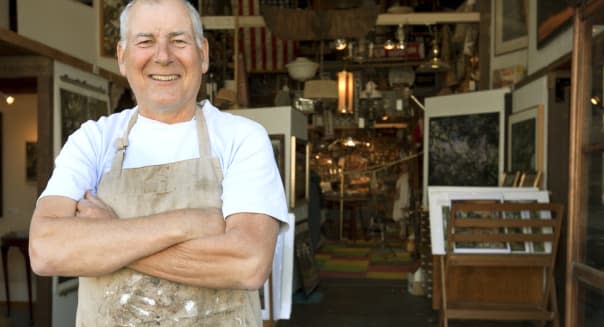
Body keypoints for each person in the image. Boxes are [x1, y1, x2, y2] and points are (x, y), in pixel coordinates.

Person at [28, 0, 288, 325]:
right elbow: (46, 250)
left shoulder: (243, 137)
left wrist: (109, 236)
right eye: (145, 41)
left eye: (178, 40)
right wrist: (191, 223)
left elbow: (248, 264)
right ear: (123, 58)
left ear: (203, 54)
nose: (163, 56)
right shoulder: (93, 140)